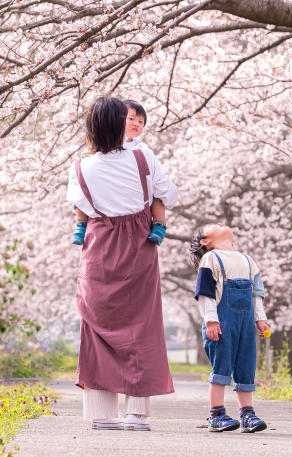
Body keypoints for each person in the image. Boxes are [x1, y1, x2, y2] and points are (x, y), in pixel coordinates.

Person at [66, 97, 177, 431]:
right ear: (120, 125)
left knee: (96, 323)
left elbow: (81, 208)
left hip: (98, 244)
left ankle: (101, 413)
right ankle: (136, 414)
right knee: (140, 323)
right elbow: (168, 196)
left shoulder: (80, 166)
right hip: (139, 243)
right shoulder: (142, 157)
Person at [190, 223, 270, 433]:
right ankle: (216, 415)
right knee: (221, 367)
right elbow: (205, 292)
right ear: (205, 241)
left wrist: (260, 319)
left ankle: (247, 414)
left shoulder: (247, 259)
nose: (220, 223)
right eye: (211, 225)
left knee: (246, 366)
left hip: (245, 323)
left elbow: (257, 293)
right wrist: (211, 321)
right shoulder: (211, 258)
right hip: (221, 321)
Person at [71, 99, 168, 245]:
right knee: (79, 198)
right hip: (137, 235)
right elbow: (168, 192)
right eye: (130, 119)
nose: (136, 123)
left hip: (99, 238)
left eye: (141, 122)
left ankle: (159, 224)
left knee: (157, 195)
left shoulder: (141, 151)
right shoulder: (144, 155)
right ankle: (80, 224)